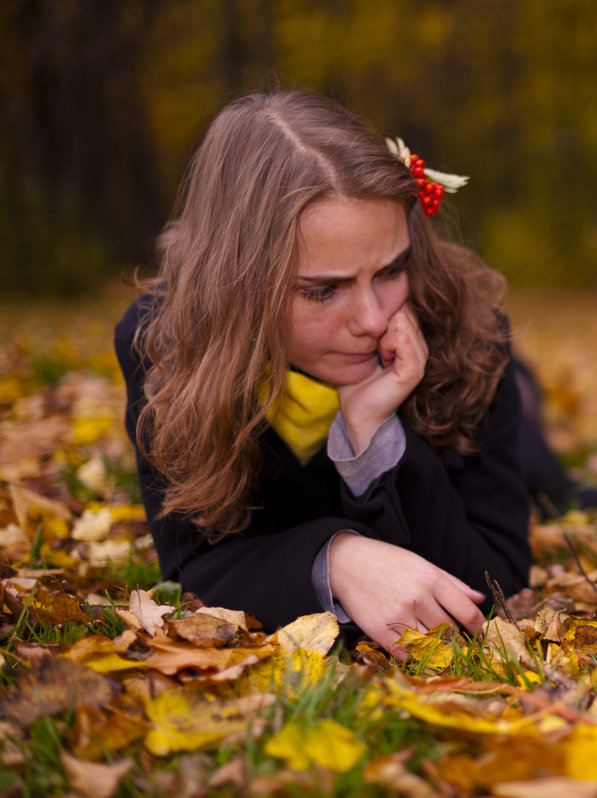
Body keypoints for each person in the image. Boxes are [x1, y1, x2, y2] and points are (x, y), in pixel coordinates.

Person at [115, 90, 534, 658]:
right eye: (323, 290)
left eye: (392, 270)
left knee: (545, 466)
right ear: (238, 284)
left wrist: (373, 433)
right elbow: (192, 561)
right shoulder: (166, 344)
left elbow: (493, 578)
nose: (371, 318)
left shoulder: (468, 332)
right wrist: (336, 558)